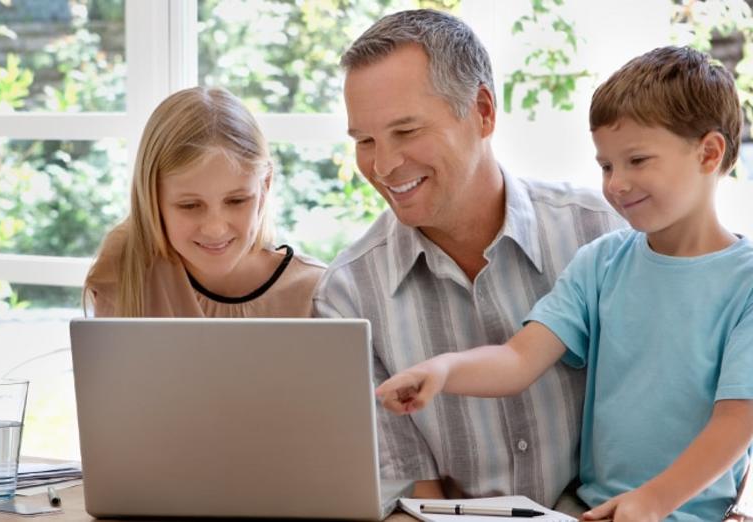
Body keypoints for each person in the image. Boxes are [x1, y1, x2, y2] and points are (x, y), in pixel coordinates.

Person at [375, 46, 753, 521]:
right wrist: (446, 369)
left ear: (710, 153)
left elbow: (738, 420)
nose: (615, 184)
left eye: (637, 160)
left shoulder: (746, 284)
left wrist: (654, 501)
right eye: (607, 165)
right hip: (588, 510)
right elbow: (518, 358)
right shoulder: (601, 263)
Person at [314, 9, 625, 505]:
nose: (384, 165)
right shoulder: (348, 297)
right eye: (365, 141)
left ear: (482, 110)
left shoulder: (604, 233)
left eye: (407, 131)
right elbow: (414, 500)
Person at [83, 86, 324, 317]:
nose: (215, 228)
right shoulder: (126, 264)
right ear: (152, 197)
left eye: (237, 200)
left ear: (265, 186)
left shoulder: (314, 291)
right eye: (189, 206)